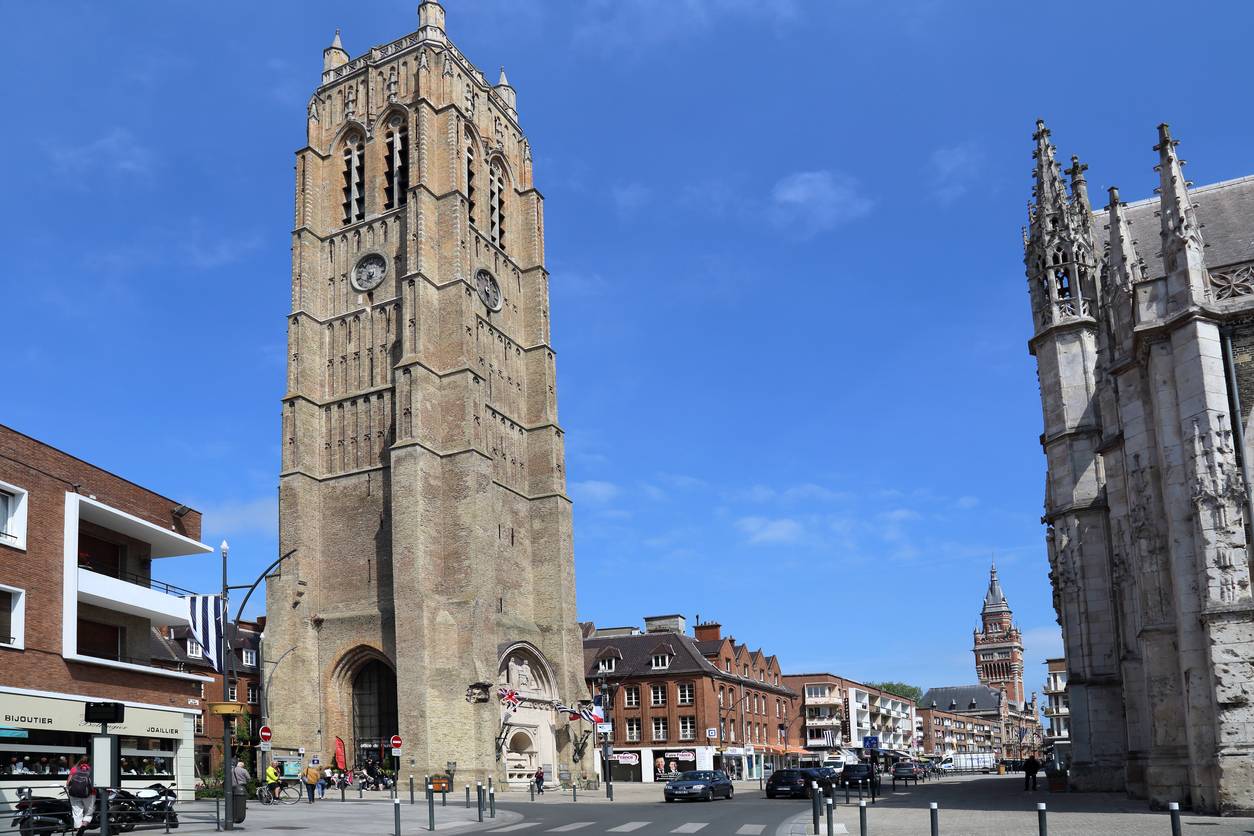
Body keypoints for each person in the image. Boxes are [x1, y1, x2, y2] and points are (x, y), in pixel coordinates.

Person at [67, 757, 95, 836]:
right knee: (88, 813)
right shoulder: (92, 769)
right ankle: (83, 826)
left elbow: (68, 783)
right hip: (89, 794)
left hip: (74, 794)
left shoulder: (74, 769)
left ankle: (78, 829)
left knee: (77, 813)